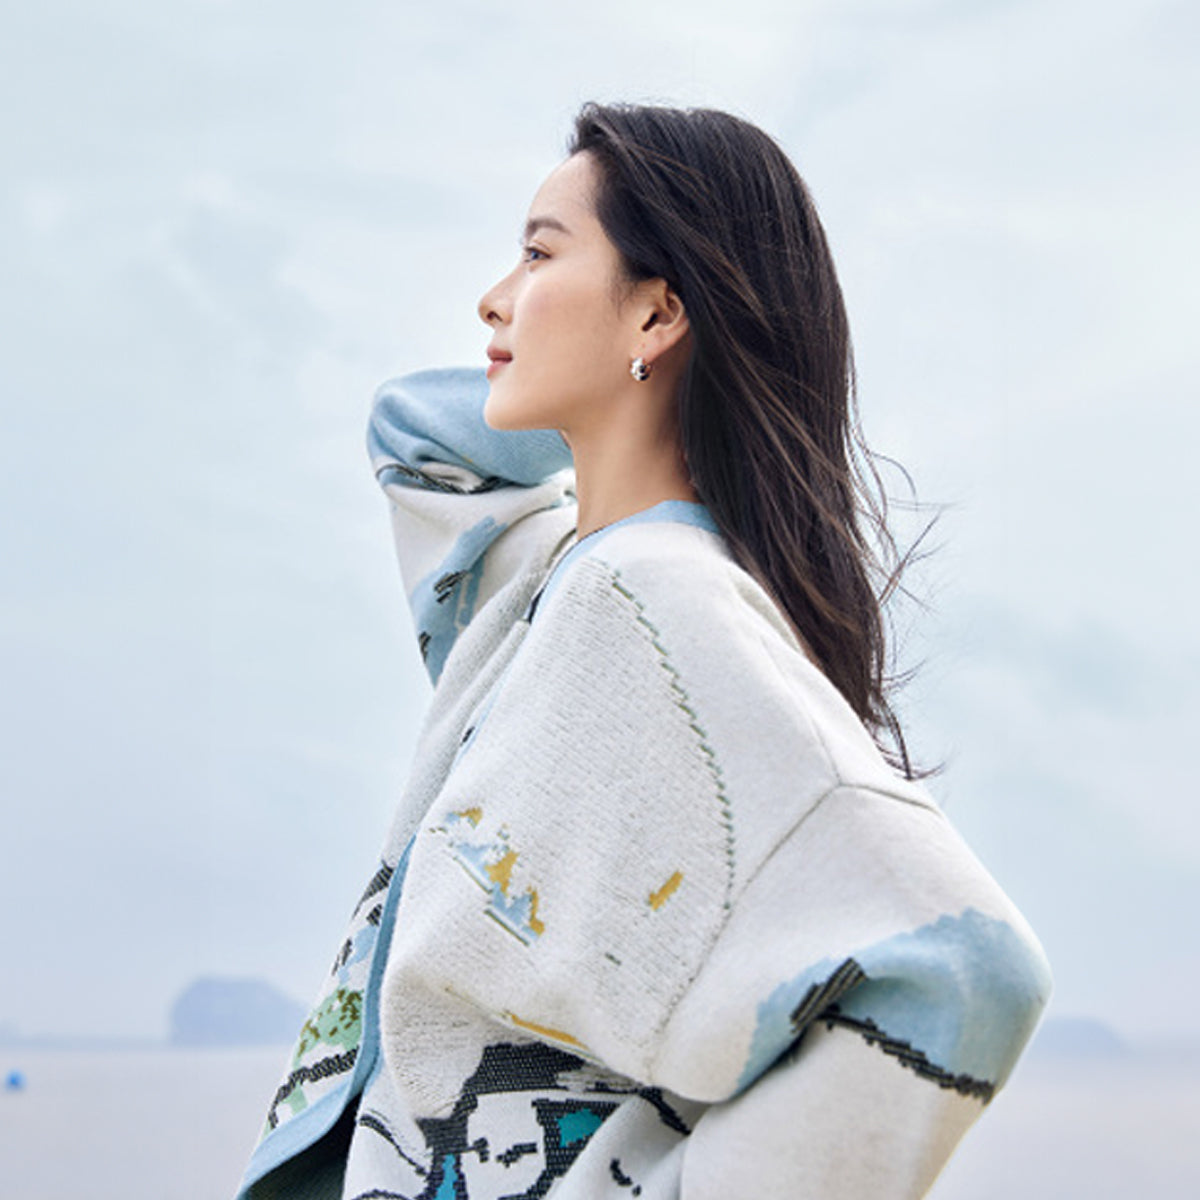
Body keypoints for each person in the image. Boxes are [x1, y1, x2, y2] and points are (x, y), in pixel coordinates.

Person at [234, 101, 1051, 1200]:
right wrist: (622, 388)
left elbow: (962, 973)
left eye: (536, 252)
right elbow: (417, 437)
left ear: (660, 313)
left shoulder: (658, 601)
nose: (493, 297)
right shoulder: (550, 578)